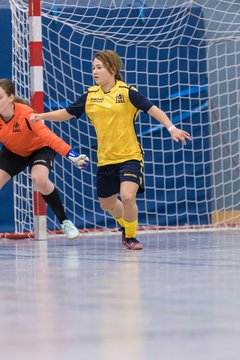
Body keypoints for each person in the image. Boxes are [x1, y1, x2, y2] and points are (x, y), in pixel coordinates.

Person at [30, 50, 191, 250]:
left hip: (130, 156)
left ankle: (130, 237)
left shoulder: (127, 92)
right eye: (93, 68)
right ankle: (126, 226)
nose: (95, 72)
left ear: (112, 69)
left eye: (99, 67)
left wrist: (171, 128)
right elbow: (67, 113)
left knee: (128, 196)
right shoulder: (90, 96)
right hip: (106, 159)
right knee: (107, 204)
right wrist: (42, 116)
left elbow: (154, 109)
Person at [0, 78, 89, 239]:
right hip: (13, 152)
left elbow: (49, 137)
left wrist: (73, 156)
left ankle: (64, 221)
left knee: (39, 178)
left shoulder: (26, 114)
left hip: (39, 149)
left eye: (0, 97)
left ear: (11, 98)